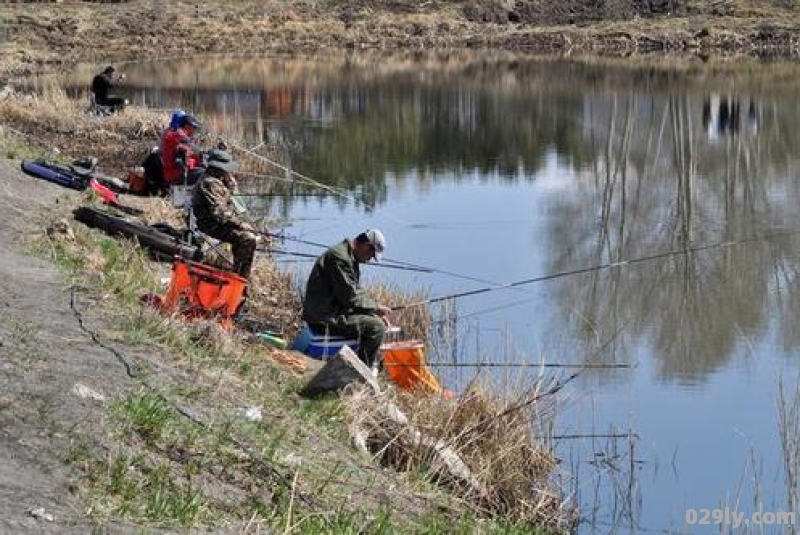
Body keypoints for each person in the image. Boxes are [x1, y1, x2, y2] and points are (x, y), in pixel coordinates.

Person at [302, 230, 391, 366]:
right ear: (366, 246)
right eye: (371, 255)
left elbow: (355, 291)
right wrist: (376, 308)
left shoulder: (349, 256)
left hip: (331, 310)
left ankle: (360, 364)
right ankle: (361, 372)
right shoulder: (340, 258)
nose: (369, 260)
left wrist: (373, 310)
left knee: (375, 321)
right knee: (377, 328)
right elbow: (350, 298)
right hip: (323, 316)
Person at [191, 149, 258, 279]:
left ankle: (240, 273)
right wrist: (240, 224)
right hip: (209, 224)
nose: (229, 171)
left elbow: (226, 201)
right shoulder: (210, 182)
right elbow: (220, 212)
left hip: (218, 221)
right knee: (247, 239)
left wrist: (230, 185)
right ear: (218, 168)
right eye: (226, 169)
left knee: (249, 234)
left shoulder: (216, 179)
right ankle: (240, 277)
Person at [160, 114, 205, 186]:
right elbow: (194, 150)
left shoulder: (176, 134)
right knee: (205, 174)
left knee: (203, 171)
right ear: (188, 126)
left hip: (176, 173)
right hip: (176, 174)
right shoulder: (178, 135)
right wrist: (203, 153)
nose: (195, 130)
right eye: (194, 127)